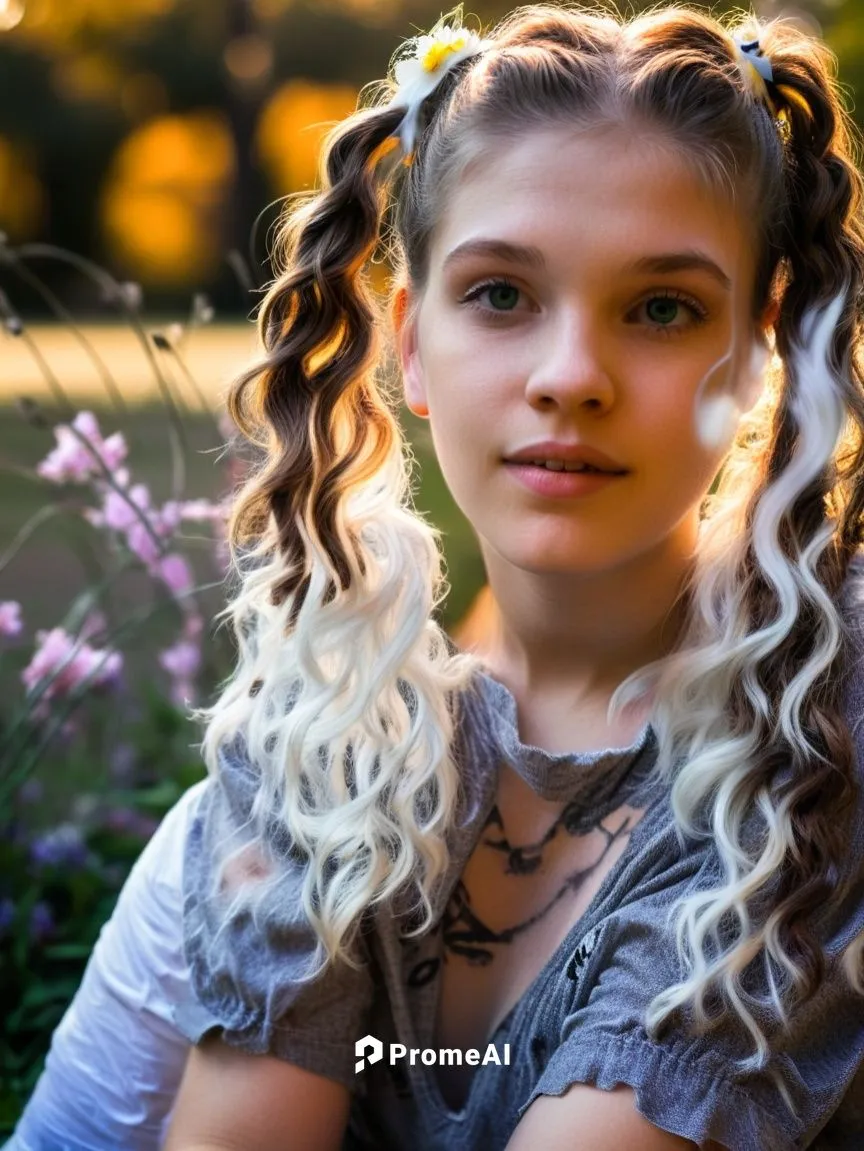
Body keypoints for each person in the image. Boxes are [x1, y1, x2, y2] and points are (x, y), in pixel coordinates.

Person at [6, 3, 864, 1149]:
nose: (571, 376)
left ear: (758, 352)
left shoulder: (818, 732)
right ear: (410, 343)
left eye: (661, 308)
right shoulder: (334, 718)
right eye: (502, 294)